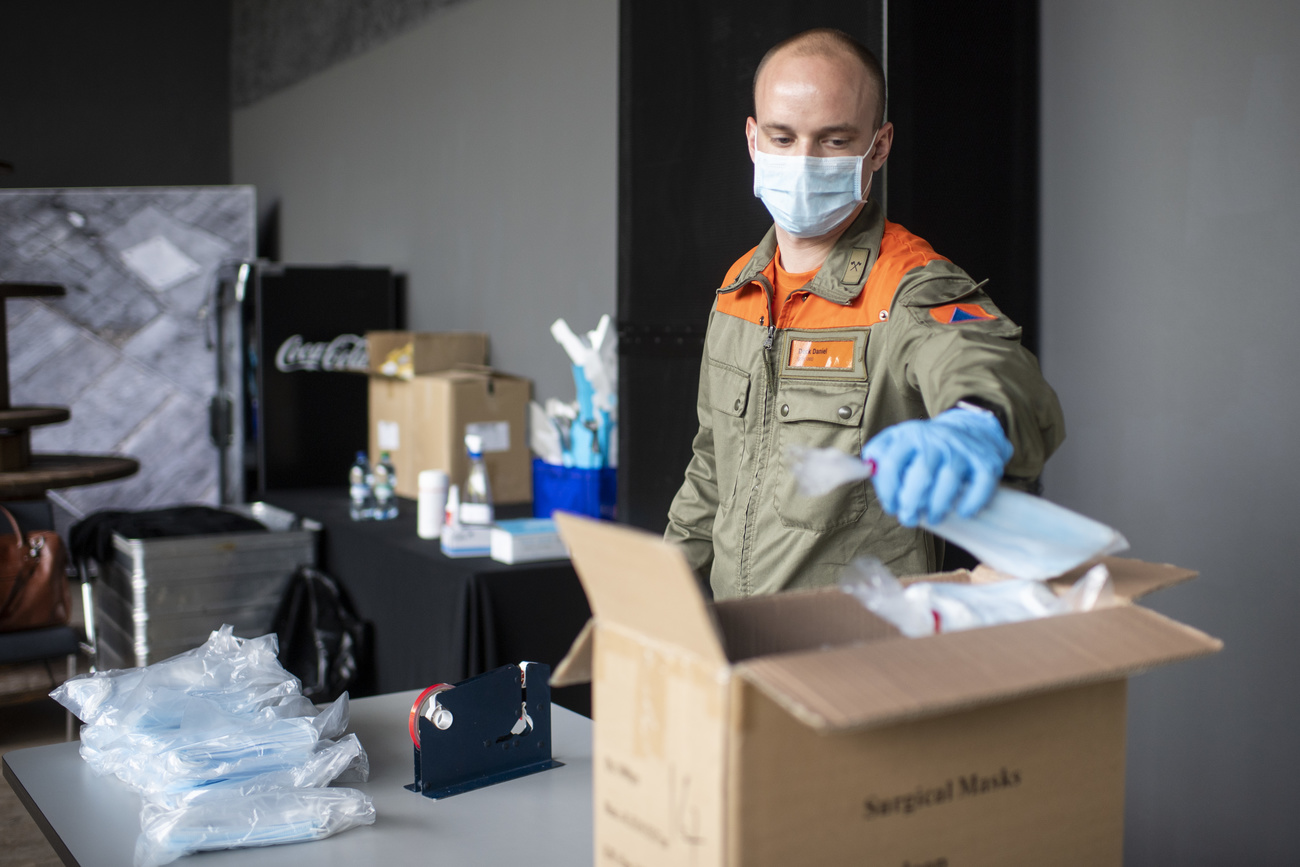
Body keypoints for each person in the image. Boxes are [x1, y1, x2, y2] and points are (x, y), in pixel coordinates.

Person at [664, 28, 1065, 599]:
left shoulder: (907, 286)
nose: (802, 162)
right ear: (752, 140)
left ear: (878, 147)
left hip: (861, 659)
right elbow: (710, 470)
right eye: (782, 137)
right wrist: (657, 606)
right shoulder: (738, 288)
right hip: (742, 648)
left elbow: (986, 362)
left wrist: (976, 422)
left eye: (832, 141)